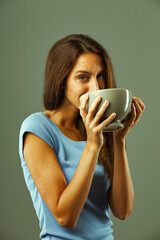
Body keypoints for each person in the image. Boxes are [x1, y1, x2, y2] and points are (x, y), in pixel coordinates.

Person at [19, 34, 145, 240]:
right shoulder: (38, 128)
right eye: (83, 77)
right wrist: (92, 146)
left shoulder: (99, 128)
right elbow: (65, 217)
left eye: (101, 76)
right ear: (61, 80)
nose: (96, 88)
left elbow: (123, 211)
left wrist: (118, 141)